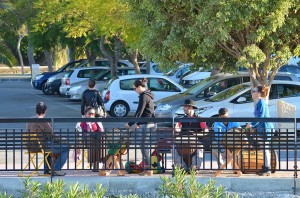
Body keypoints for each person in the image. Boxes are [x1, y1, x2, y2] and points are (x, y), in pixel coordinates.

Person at [25, 102, 69, 176]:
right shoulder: (42, 120)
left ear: (36, 110)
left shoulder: (30, 119)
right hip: (41, 146)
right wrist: (62, 140)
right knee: (65, 148)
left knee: (50, 145)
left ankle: (47, 169)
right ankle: (56, 169)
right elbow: (51, 134)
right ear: (46, 111)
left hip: (30, 146)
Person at [124, 78, 156, 176]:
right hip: (149, 123)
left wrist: (130, 123)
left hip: (148, 124)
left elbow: (139, 112)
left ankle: (148, 169)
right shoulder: (148, 95)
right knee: (143, 146)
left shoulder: (143, 96)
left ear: (139, 87)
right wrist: (138, 124)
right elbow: (146, 112)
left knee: (143, 146)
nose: (135, 91)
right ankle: (147, 168)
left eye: (134, 89)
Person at [246, 85, 274, 176]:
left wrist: (252, 125)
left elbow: (260, 117)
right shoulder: (258, 103)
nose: (252, 93)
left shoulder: (261, 102)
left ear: (258, 93)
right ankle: (266, 167)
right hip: (261, 128)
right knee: (263, 147)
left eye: (254, 91)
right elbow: (257, 117)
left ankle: (267, 167)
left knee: (265, 147)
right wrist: (253, 126)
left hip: (265, 128)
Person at [174, 99, 208, 173]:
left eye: (185, 106)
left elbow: (205, 131)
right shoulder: (182, 119)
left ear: (190, 107)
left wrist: (196, 134)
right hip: (184, 142)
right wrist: (177, 129)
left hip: (196, 141)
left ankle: (195, 168)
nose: (183, 108)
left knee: (200, 148)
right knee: (173, 147)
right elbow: (177, 128)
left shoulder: (200, 119)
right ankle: (181, 167)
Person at [77, 107, 105, 172]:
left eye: (93, 114)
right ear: (85, 114)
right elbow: (79, 135)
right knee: (95, 142)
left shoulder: (97, 122)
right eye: (90, 114)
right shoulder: (81, 122)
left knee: (101, 141)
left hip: (97, 141)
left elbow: (102, 131)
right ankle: (99, 163)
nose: (91, 115)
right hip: (87, 140)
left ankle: (97, 164)